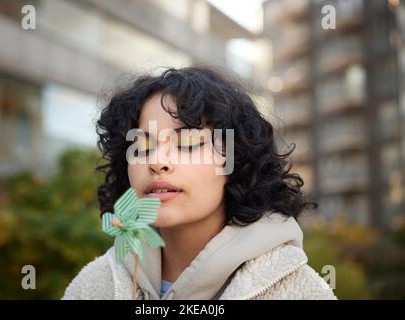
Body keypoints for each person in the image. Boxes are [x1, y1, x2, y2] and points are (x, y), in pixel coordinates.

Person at [62, 67, 337, 300]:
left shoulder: (299, 291)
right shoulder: (94, 287)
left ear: (235, 159)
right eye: (142, 145)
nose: (157, 161)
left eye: (187, 142)